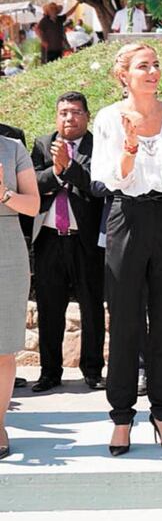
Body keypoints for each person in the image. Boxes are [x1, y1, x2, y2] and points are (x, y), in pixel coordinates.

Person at [92, 43, 162, 456]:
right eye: (144, 66)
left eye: (156, 64)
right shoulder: (108, 118)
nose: (153, 71)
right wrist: (131, 147)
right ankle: (121, 418)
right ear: (124, 75)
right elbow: (112, 179)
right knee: (124, 322)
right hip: (127, 218)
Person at [30, 92, 106, 393]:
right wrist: (57, 171)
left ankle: (92, 370)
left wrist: (70, 168)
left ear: (87, 116)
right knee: (49, 309)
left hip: (85, 240)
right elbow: (33, 182)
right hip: (49, 240)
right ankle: (49, 372)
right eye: (63, 112)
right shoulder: (41, 143)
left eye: (75, 112)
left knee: (91, 307)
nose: (68, 118)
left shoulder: (97, 144)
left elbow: (97, 184)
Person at [0, 133, 40, 458]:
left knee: (2, 349)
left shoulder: (12, 148)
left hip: (6, 251)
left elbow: (33, 205)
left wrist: (4, 194)